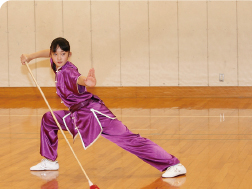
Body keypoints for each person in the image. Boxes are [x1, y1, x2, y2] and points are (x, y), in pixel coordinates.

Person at [20, 37, 186, 178]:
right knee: (49, 119)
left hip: (95, 115)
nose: (58, 57)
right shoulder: (57, 65)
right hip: (77, 116)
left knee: (129, 139)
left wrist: (87, 82)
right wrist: (30, 56)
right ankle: (49, 161)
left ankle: (173, 164)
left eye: (63, 54)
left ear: (69, 55)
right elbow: (45, 52)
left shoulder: (68, 71)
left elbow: (79, 78)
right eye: (55, 54)